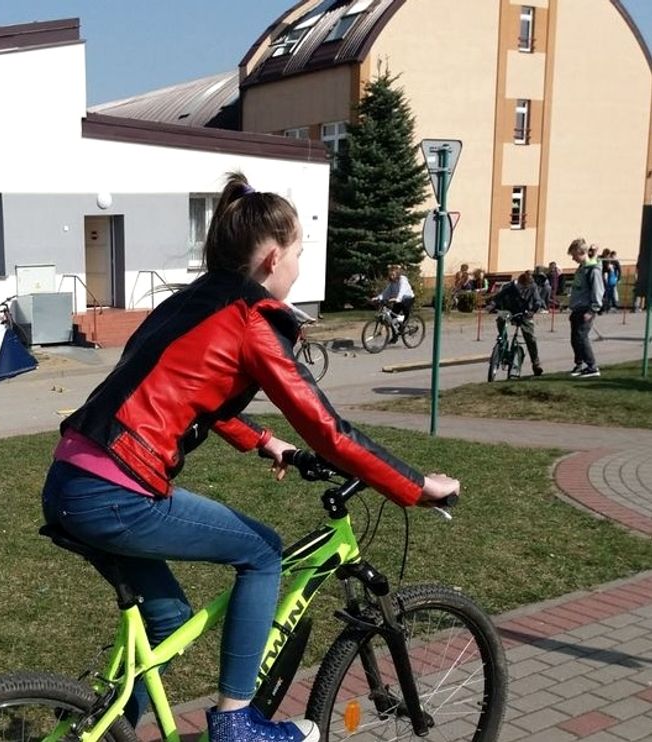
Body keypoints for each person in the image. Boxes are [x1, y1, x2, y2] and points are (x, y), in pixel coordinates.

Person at [41, 172, 459, 742]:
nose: (298, 268)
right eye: (298, 255)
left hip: (74, 474)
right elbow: (329, 431)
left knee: (169, 622)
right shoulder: (251, 319)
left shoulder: (190, 302)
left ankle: (98, 732)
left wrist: (264, 441)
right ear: (269, 257)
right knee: (262, 550)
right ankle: (236, 721)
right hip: (116, 491)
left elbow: (185, 391)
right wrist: (416, 486)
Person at [491, 271, 544, 376]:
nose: (524, 290)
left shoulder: (533, 287)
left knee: (530, 338)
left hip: (525, 313)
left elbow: (538, 301)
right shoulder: (511, 287)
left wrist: (532, 311)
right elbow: (498, 297)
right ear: (519, 283)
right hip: (510, 310)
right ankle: (502, 341)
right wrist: (492, 305)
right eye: (522, 287)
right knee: (501, 318)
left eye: (526, 288)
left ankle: (536, 364)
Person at [566, 238, 604, 377]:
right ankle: (579, 364)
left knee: (582, 337)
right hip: (577, 308)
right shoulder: (583, 268)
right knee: (575, 339)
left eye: (574, 255)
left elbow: (597, 290)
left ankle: (592, 366)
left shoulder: (592, 270)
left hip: (586, 309)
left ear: (581, 252)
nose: (573, 259)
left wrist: (592, 309)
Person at [373, 264, 416, 340]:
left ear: (397, 274)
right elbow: (386, 292)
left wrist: (397, 299)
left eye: (393, 275)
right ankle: (395, 337)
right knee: (392, 318)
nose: (391, 276)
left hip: (408, 298)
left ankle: (404, 326)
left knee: (405, 313)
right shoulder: (392, 283)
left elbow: (402, 291)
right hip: (398, 300)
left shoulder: (402, 280)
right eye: (390, 275)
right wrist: (378, 298)